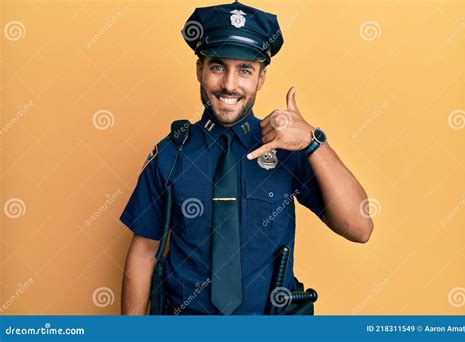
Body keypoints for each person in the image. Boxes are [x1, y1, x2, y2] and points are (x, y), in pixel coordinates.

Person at [120, 1, 374, 315]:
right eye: (217, 66)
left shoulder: (287, 149)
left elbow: (360, 228)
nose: (229, 84)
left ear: (261, 78)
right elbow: (144, 252)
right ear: (199, 70)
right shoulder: (171, 155)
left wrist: (312, 141)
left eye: (244, 70)